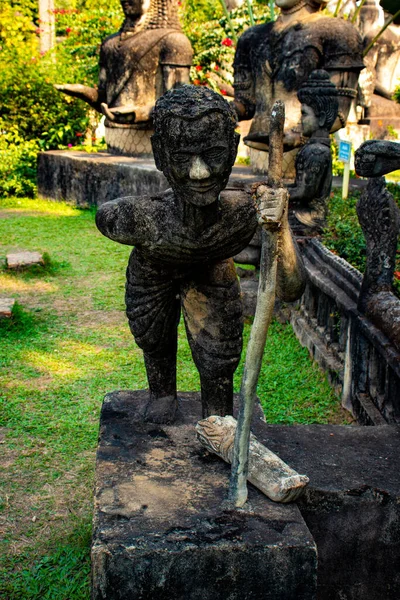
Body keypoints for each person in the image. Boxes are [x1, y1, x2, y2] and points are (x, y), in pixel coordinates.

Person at [96, 86, 305, 424]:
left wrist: (280, 227)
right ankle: (162, 392)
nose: (200, 172)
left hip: (213, 268)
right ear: (160, 156)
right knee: (153, 336)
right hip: (153, 273)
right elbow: (108, 217)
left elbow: (291, 289)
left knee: (219, 354)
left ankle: (217, 409)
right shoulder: (144, 219)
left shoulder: (241, 215)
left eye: (214, 154)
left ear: (233, 150)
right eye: (181, 158)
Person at [55, 0, 193, 154]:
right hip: (113, 140)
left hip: (151, 145)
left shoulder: (174, 42)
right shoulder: (110, 44)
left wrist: (139, 114)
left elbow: (179, 103)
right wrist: (84, 92)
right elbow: (105, 100)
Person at [233, 0, 363, 155]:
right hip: (256, 147)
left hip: (304, 152)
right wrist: (221, 110)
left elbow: (337, 112)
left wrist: (298, 134)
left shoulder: (338, 33)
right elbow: (246, 102)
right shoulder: (251, 37)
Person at [289, 70, 339, 231]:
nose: (301, 120)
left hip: (307, 218)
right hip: (301, 213)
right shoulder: (314, 148)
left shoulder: (317, 152)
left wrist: (278, 192)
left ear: (322, 118)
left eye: (304, 114)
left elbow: (305, 192)